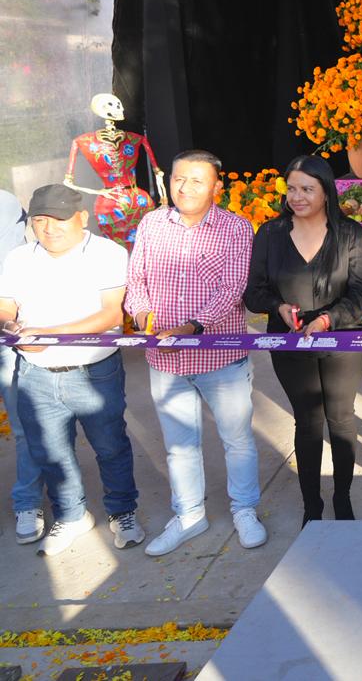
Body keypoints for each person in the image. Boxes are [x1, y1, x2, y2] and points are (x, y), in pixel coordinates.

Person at [125, 149, 267, 556]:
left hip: (220, 358)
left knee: (237, 439)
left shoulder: (237, 229)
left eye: (197, 180)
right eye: (178, 178)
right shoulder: (152, 223)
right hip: (164, 361)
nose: (184, 187)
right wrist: (141, 313)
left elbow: (234, 289)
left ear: (217, 188)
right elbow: (136, 279)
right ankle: (189, 514)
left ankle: (244, 510)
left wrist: (191, 328)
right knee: (179, 443)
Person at [0, 184, 143, 556]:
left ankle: (122, 512)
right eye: (40, 220)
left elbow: (111, 314)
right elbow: (5, 308)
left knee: (110, 447)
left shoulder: (107, 253)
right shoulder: (18, 258)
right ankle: (71, 515)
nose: (49, 229)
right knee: (50, 452)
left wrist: (47, 334)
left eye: (59, 220)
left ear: (82, 218)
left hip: (95, 372)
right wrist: (12, 330)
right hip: (35, 374)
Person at [244, 156, 362, 527]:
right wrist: (279, 307)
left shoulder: (349, 233)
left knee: (341, 415)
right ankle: (311, 505)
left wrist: (328, 318)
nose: (297, 197)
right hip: (289, 342)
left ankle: (343, 498)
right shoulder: (270, 234)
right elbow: (255, 293)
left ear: (326, 191)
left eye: (307, 189)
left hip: (344, 338)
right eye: (292, 189)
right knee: (308, 420)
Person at [0, 189, 47, 545]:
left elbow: (20, 266)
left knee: (23, 425)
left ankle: (27, 503)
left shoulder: (4, 203)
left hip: (5, 334)